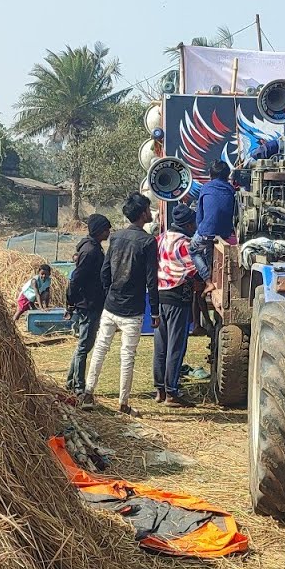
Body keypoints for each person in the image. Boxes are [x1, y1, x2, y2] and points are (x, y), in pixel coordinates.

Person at [83, 193, 160, 417]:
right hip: (133, 309)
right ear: (142, 213)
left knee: (100, 349)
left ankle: (88, 393)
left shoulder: (116, 237)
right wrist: (154, 311)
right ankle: (123, 403)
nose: (150, 212)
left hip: (111, 305)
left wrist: (110, 293)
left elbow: (105, 272)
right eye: (148, 208)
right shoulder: (148, 241)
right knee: (127, 356)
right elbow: (151, 280)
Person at [153, 204, 200, 408]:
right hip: (178, 297)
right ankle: (172, 391)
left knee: (160, 346)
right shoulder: (185, 243)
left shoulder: (161, 239)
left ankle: (159, 389)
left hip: (160, 295)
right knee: (176, 346)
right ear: (188, 224)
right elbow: (193, 269)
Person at [65, 213, 111, 395]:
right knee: (84, 346)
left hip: (91, 302)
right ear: (99, 231)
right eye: (107, 229)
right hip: (88, 304)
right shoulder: (90, 252)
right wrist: (71, 302)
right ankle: (78, 386)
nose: (108, 233)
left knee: (83, 345)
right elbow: (76, 279)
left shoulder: (92, 247)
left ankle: (70, 381)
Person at [191, 160, 237, 278]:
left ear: (210, 175)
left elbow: (199, 215)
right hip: (224, 233)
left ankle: (207, 279)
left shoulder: (205, 188)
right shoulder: (231, 190)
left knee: (193, 251)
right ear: (227, 176)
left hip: (206, 232)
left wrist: (200, 229)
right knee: (210, 252)